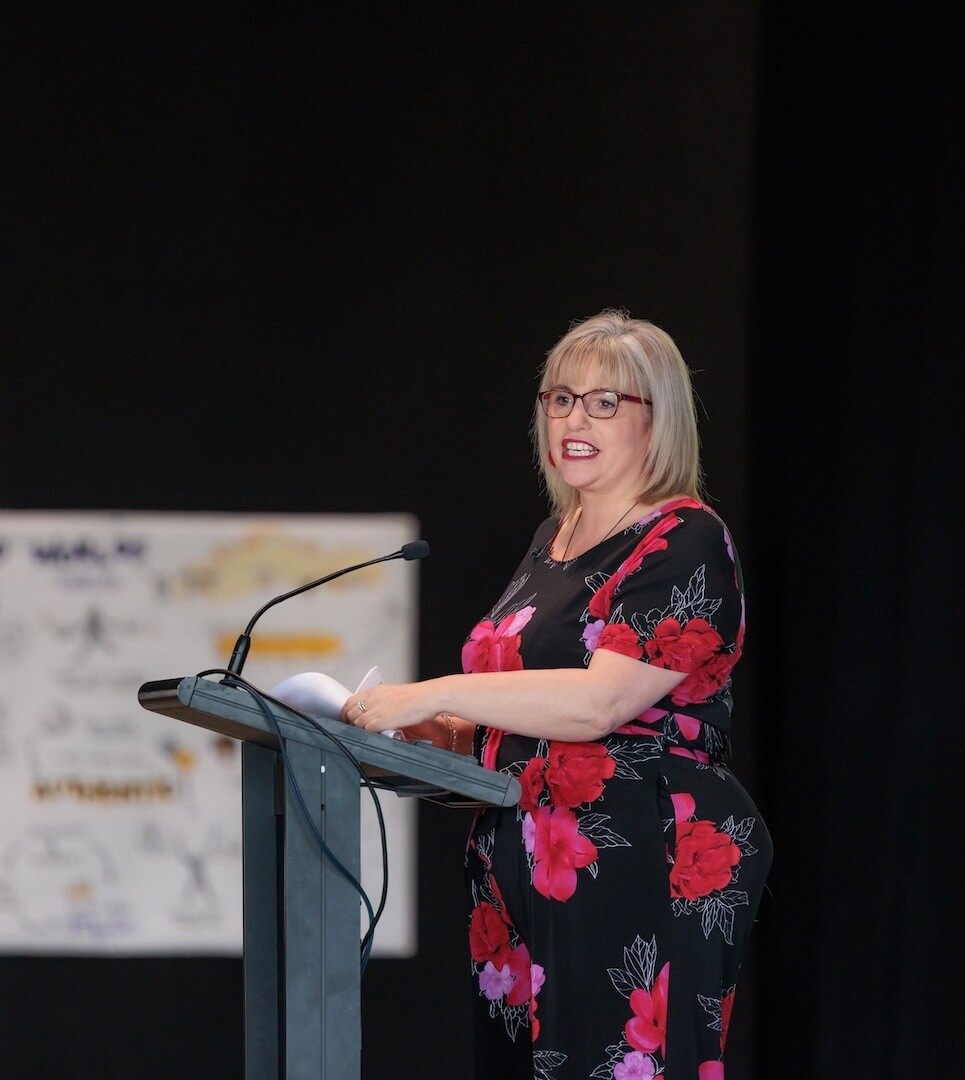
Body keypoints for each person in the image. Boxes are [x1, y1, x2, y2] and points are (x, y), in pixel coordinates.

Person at [340, 309, 773, 1080]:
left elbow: (599, 705)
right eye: (560, 398)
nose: (575, 418)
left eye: (606, 402)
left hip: (638, 854)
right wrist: (439, 738)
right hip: (522, 857)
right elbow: (525, 709)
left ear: (657, 418)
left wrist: (437, 692)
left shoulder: (683, 539)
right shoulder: (555, 537)